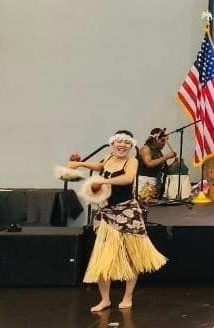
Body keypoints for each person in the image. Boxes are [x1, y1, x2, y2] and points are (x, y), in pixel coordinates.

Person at [67, 130, 167, 312]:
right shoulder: (108, 158)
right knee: (102, 260)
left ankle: (127, 296)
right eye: (118, 142)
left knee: (131, 257)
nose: (122, 145)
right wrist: (80, 163)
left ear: (131, 146)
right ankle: (105, 299)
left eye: (126, 143)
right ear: (112, 144)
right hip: (106, 214)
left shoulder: (132, 161)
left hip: (128, 213)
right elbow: (99, 166)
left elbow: (128, 178)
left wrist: (104, 183)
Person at [136, 128, 179, 203]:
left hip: (155, 181)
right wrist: (166, 157)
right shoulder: (145, 148)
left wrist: (175, 164)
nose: (164, 143)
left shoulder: (158, 152)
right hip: (143, 180)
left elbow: (164, 169)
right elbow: (149, 163)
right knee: (145, 201)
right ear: (154, 139)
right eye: (162, 140)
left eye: (165, 141)